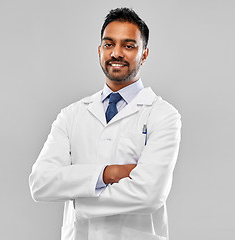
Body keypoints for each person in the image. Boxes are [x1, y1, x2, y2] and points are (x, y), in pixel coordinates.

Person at [29, 7, 181, 240]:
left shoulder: (163, 115)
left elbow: (150, 194)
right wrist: (108, 173)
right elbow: (41, 182)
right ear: (100, 50)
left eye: (128, 46)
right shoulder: (71, 115)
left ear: (144, 54)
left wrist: (78, 195)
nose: (116, 53)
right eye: (109, 44)